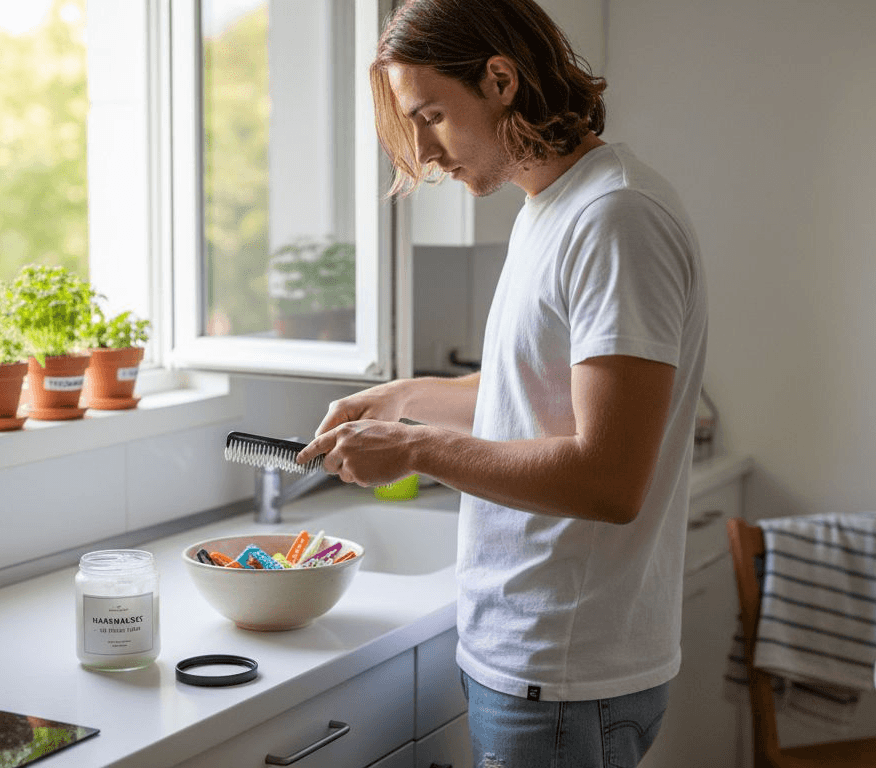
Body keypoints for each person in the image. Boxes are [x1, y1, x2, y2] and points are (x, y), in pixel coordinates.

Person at [295, 0, 707, 765]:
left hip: (562, 669)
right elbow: (532, 397)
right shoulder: (550, 206)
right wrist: (406, 398)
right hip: (532, 660)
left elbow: (609, 478)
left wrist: (415, 453)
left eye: (432, 116)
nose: (423, 151)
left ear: (500, 79)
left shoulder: (615, 217)